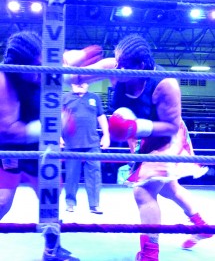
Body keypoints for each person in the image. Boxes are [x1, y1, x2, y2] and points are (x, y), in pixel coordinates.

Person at [63, 34, 212, 261]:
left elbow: (171, 127)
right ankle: (203, 227)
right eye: (116, 61)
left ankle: (150, 255)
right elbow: (73, 78)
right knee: (167, 188)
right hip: (139, 138)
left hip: (166, 137)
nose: (117, 68)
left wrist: (135, 127)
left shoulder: (165, 83)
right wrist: (75, 59)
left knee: (143, 190)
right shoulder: (115, 69)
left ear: (141, 65)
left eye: (123, 65)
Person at [0, 30, 102, 261]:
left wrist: (110, 66)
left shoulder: (44, 67)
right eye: (35, 66)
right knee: (2, 201)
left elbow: (72, 65)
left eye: (42, 62)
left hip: (41, 149)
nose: (40, 70)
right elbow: (8, 130)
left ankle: (52, 250)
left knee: (51, 201)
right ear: (20, 65)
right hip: (10, 149)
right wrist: (53, 123)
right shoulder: (4, 80)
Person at [61, 82, 110, 214]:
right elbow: (58, 118)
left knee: (94, 175)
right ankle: (70, 203)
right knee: (71, 175)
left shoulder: (95, 97)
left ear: (88, 83)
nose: (80, 84)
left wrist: (106, 135)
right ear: (71, 84)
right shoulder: (65, 98)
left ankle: (94, 205)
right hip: (71, 143)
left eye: (83, 81)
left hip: (92, 143)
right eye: (77, 82)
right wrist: (58, 137)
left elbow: (101, 117)